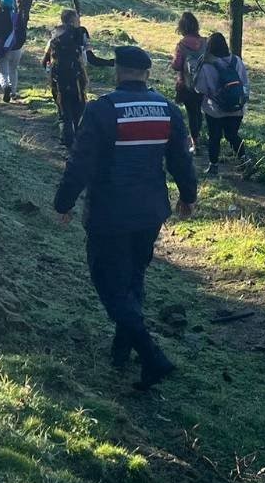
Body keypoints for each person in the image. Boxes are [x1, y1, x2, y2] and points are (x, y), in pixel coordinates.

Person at [53, 46, 197, 389]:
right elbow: (181, 160)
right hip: (150, 212)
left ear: (118, 72)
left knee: (108, 283)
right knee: (133, 277)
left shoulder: (103, 110)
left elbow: (81, 162)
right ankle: (122, 349)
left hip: (109, 212)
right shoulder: (167, 109)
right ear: (146, 74)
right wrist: (188, 196)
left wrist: (64, 202)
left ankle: (151, 355)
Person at [43, 8, 113, 146]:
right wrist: (111, 62)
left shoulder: (55, 34)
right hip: (77, 79)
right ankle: (78, 143)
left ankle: (66, 140)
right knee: (78, 111)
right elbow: (91, 59)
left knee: (64, 111)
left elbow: (44, 60)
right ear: (74, 20)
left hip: (58, 78)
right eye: (78, 18)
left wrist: (51, 73)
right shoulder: (80, 34)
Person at [193, 31, 250, 174]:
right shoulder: (236, 61)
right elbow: (244, 82)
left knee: (214, 137)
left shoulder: (206, 65)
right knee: (232, 135)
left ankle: (213, 166)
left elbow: (200, 88)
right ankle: (245, 160)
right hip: (236, 107)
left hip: (214, 108)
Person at [169, 12, 208, 149]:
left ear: (182, 27)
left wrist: (173, 61)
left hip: (187, 84)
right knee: (199, 111)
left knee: (192, 113)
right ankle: (199, 136)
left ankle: (195, 142)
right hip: (203, 83)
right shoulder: (205, 42)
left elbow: (177, 66)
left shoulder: (182, 44)